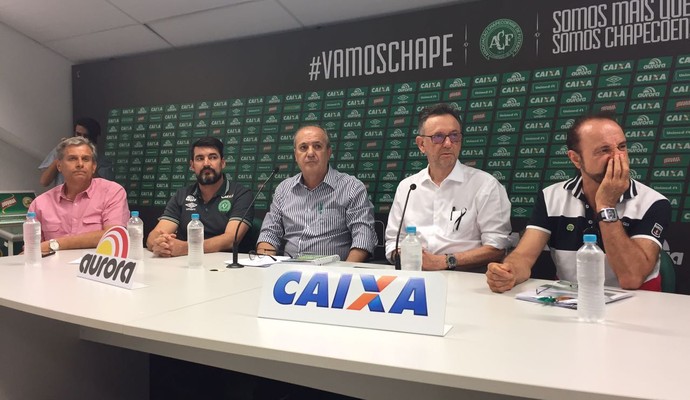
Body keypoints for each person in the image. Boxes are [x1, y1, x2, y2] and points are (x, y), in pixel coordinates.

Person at [487, 113, 671, 292]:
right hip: (569, 301)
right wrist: (509, 271)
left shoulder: (653, 202)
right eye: (604, 150)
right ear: (575, 158)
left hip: (636, 307)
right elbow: (524, 257)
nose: (618, 157)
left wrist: (606, 207)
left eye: (622, 147)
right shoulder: (551, 196)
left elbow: (631, 278)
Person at [385, 103, 512, 271]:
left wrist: (446, 261)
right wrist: (405, 255)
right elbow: (393, 242)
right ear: (421, 144)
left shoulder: (485, 185)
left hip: (466, 276)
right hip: (415, 274)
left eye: (454, 136)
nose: (447, 143)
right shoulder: (408, 187)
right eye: (438, 137)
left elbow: (497, 248)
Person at [256, 125, 377, 262]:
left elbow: (363, 238)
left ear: (329, 152)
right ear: (296, 155)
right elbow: (269, 234)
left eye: (317, 146)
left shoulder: (351, 187)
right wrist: (265, 263)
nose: (310, 153)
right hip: (288, 272)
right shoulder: (283, 189)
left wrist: (344, 274)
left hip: (332, 274)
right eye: (303, 147)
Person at [146, 136, 254, 257]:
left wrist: (185, 248)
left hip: (224, 268)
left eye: (213, 157)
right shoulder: (182, 195)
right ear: (192, 165)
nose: (206, 163)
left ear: (222, 163)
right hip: (186, 265)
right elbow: (155, 234)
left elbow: (230, 239)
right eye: (200, 158)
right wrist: (159, 244)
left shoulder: (241, 194)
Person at [28, 136, 129, 253]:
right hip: (51, 269)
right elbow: (31, 250)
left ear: (94, 166)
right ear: (59, 166)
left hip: (95, 268)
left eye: (86, 159)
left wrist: (55, 244)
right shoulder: (40, 204)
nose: (80, 164)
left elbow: (114, 236)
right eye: (72, 159)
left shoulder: (112, 192)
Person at [39, 117, 114, 187]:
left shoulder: (102, 160)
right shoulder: (61, 150)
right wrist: (62, 156)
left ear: (93, 138)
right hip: (62, 199)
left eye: (85, 136)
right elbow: (44, 182)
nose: (80, 138)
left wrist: (88, 159)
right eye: (78, 134)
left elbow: (103, 187)